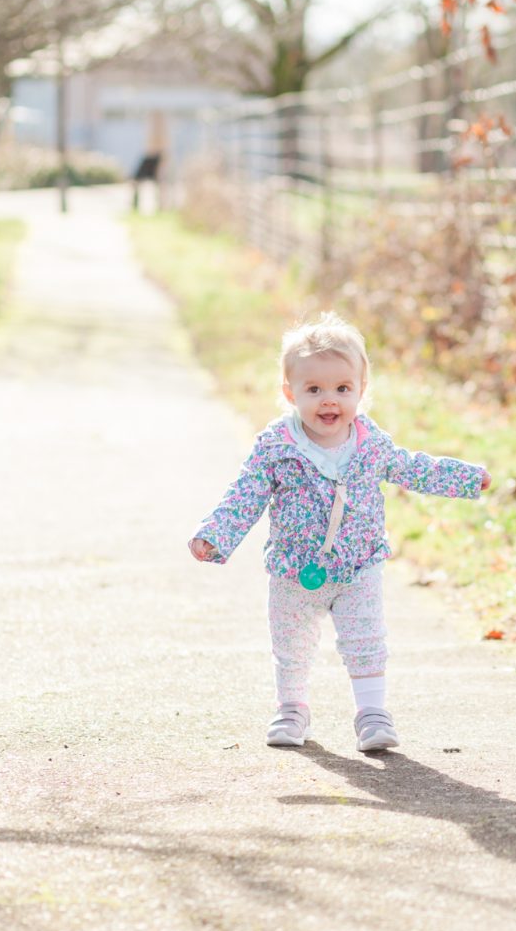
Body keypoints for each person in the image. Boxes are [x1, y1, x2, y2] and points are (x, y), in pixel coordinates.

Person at [188, 313, 490, 751]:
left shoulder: (370, 443)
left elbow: (412, 468)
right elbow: (245, 493)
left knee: (365, 638)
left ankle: (372, 714)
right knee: (291, 644)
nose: (329, 400)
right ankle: (292, 709)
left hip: (358, 564)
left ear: (361, 391)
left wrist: (464, 478)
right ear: (290, 393)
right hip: (295, 568)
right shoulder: (277, 445)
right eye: (314, 390)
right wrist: (215, 535)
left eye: (342, 389)